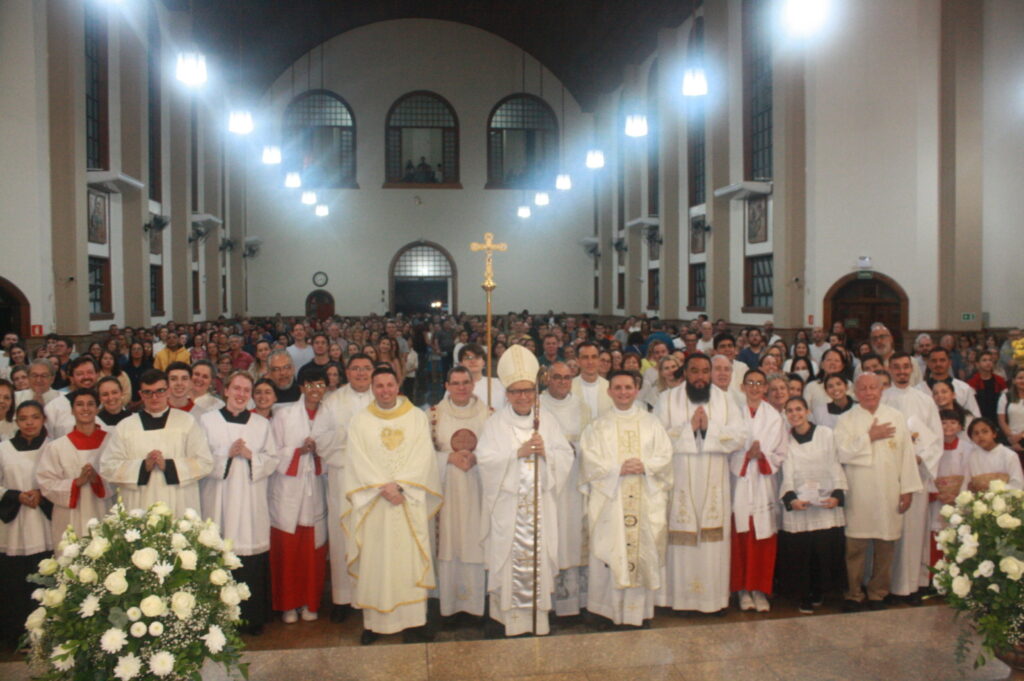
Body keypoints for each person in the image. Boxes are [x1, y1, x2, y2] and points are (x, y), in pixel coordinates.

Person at [476, 345, 574, 636]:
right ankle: (508, 621)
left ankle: (537, 621)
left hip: (540, 508)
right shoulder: (495, 424)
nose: (522, 397)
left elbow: (565, 456)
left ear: (535, 391)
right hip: (508, 510)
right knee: (507, 560)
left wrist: (548, 454)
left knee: (539, 558)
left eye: (528, 391)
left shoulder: (548, 422)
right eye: (516, 391)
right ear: (506, 394)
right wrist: (515, 454)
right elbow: (485, 461)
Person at [343, 367, 441, 643]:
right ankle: (374, 624)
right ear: (372, 388)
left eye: (389, 385)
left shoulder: (416, 418)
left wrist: (401, 486)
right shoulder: (360, 421)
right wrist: (381, 487)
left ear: (398, 385)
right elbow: (356, 459)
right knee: (376, 562)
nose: (385, 390)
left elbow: (424, 456)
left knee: (407, 562)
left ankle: (413, 623)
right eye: (379, 386)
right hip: (374, 503)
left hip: (407, 501)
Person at [578, 370, 672, 628]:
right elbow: (589, 460)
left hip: (645, 497)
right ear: (609, 391)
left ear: (637, 390)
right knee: (612, 549)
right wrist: (617, 468)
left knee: (642, 549)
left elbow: (665, 456)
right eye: (617, 388)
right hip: (612, 500)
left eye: (628, 387)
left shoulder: (651, 423)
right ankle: (605, 612)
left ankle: (637, 614)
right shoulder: (598, 426)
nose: (623, 392)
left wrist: (644, 466)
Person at [654, 353, 747, 614]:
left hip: (714, 481)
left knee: (711, 542)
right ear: (685, 372)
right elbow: (656, 439)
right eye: (694, 371)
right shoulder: (667, 399)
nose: (700, 377)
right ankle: (677, 599)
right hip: (679, 478)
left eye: (705, 371)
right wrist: (688, 428)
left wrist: (709, 429)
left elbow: (740, 437)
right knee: (679, 540)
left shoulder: (726, 400)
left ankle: (711, 600)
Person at [834, 373, 922, 610]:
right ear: (855, 392)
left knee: (885, 546)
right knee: (855, 548)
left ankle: (878, 593)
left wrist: (908, 490)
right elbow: (841, 453)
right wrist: (869, 437)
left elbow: (906, 457)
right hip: (859, 492)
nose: (869, 392)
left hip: (888, 492)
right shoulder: (846, 420)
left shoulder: (895, 417)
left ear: (882, 389)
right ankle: (853, 594)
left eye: (874, 387)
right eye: (864, 389)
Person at [199, 372, 277, 635]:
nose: (241, 394)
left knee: (250, 556)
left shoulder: (260, 424)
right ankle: (220, 620)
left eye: (247, 390)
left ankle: (252, 619)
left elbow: (272, 459)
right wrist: (226, 455)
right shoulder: (208, 421)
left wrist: (250, 455)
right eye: (237, 388)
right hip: (219, 499)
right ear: (226, 390)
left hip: (250, 502)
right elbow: (199, 459)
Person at [100, 369, 213, 515]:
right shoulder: (126, 426)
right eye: (148, 392)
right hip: (137, 505)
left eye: (160, 391)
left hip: (178, 503)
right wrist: (142, 467)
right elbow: (108, 466)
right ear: (140, 394)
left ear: (168, 391)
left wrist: (169, 466)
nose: (154, 397)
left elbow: (205, 462)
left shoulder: (186, 422)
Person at [429, 366, 490, 622]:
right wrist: (448, 458)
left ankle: (477, 607)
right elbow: (423, 454)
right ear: (446, 386)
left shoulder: (489, 415)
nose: (461, 387)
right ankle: (448, 607)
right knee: (450, 542)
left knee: (476, 541)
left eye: (465, 382)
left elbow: (498, 450)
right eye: (455, 383)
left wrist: (479, 457)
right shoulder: (433, 415)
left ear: (473, 384)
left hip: (478, 489)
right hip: (448, 490)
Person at [883, 352, 943, 604]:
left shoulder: (925, 400)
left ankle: (915, 585)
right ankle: (888, 586)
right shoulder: (883, 399)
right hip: (889, 474)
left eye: (906, 367)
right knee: (891, 531)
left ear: (912, 369)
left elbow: (936, 438)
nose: (901, 371)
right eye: (896, 367)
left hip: (916, 474)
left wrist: (919, 458)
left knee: (915, 530)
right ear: (889, 369)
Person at [778, 396, 847, 614]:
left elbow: (834, 463)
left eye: (798, 409)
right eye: (789, 411)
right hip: (801, 504)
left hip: (824, 502)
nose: (794, 414)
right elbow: (786, 471)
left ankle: (820, 590)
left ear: (807, 411)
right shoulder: (785, 441)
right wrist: (791, 498)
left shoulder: (825, 434)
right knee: (802, 552)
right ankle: (804, 595)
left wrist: (837, 494)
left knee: (822, 549)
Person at [321, 354, 375, 622]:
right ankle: (342, 597)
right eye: (355, 368)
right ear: (347, 371)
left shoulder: (384, 396)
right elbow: (320, 438)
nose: (361, 373)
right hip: (343, 476)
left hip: (374, 480)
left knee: (372, 538)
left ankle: (373, 595)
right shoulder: (333, 401)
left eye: (366, 369)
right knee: (342, 534)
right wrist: (347, 438)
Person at [730, 368, 787, 613]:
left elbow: (780, 452)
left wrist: (761, 456)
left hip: (763, 484)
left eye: (759, 383)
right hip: (740, 483)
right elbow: (726, 445)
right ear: (743, 387)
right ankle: (743, 589)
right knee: (741, 537)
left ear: (765, 388)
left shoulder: (774, 417)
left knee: (763, 538)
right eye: (750, 383)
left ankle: (760, 589)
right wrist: (745, 456)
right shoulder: (733, 413)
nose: (754, 387)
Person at [538, 361, 591, 618]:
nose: (561, 382)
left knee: (570, 537)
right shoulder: (537, 404)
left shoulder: (582, 408)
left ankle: (571, 603)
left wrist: (575, 450)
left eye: (567, 378)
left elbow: (590, 444)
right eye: (556, 377)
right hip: (545, 483)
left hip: (572, 484)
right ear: (547, 379)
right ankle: (545, 599)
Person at [0, 401, 53, 648]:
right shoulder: (4, 450)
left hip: (45, 524)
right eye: (23, 418)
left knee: (45, 578)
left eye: (34, 417)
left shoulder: (53, 447)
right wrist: (15, 495)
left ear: (43, 419)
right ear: (16, 421)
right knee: (15, 582)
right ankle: (15, 636)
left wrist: (43, 492)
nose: (29, 423)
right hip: (15, 527)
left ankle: (48, 634)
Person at [37, 388, 113, 546]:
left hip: (104, 510)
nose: (85, 408)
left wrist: (97, 480)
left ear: (97, 408)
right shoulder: (57, 447)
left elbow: (121, 478)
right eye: (79, 404)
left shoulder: (112, 442)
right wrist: (76, 482)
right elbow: (46, 483)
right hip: (69, 516)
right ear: (72, 410)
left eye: (91, 404)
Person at [45, 356, 100, 438]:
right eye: (80, 374)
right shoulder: (54, 407)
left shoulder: (108, 403)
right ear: (71, 378)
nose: (86, 377)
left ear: (97, 375)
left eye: (90, 372)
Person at [918, 347, 980, 417]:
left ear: (950, 362)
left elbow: (974, 417)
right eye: (934, 361)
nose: (938, 364)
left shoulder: (964, 389)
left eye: (942, 360)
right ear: (928, 363)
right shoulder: (918, 390)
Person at [965, 418, 1023, 491]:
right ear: (972, 438)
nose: (980, 436)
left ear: (994, 434)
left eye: (985, 431)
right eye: (976, 433)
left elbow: (1017, 484)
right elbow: (966, 485)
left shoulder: (1009, 455)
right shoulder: (971, 457)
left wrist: (994, 490)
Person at [456, 343, 506, 410]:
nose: (473, 361)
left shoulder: (498, 384)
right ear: (460, 364)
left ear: (483, 362)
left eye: (477, 357)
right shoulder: (454, 387)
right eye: (468, 358)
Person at [574, 341, 612, 420]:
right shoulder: (568, 388)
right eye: (585, 357)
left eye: (594, 357)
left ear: (598, 360)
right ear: (577, 361)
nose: (590, 362)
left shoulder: (610, 388)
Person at [967, 350, 1007, 421]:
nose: (988, 363)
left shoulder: (1000, 380)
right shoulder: (972, 382)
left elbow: (1006, 401)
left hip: (998, 418)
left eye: (990, 360)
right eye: (984, 360)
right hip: (979, 418)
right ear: (977, 364)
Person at [997, 368, 1024, 464]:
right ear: (1014, 380)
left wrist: (1020, 436)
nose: (1022, 381)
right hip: (1009, 441)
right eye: (1020, 378)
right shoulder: (1005, 396)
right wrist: (1012, 438)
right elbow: (1001, 420)